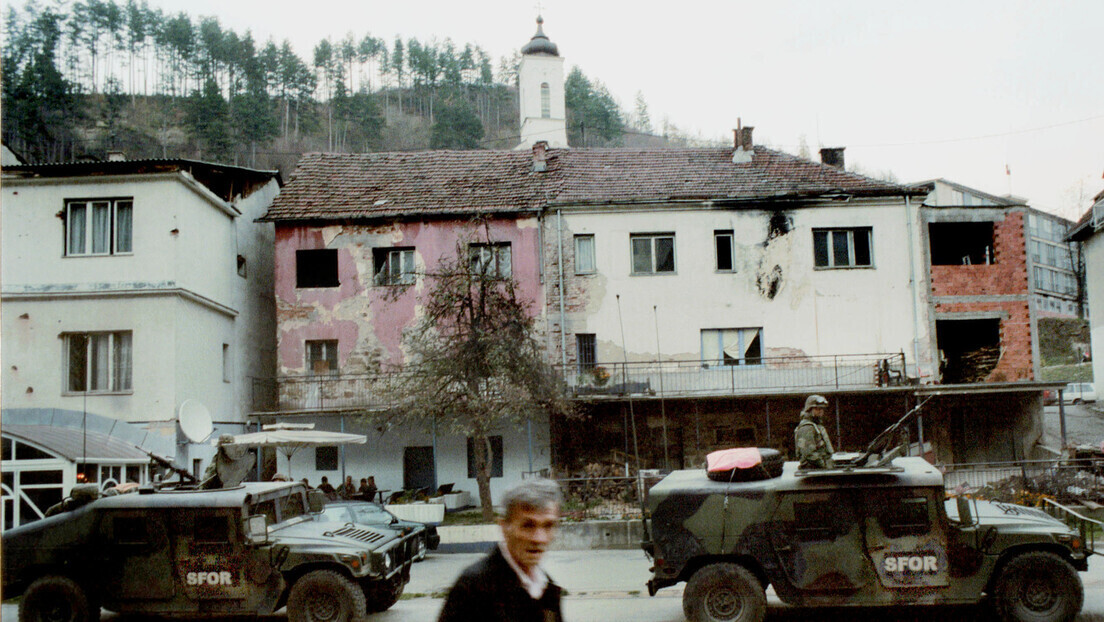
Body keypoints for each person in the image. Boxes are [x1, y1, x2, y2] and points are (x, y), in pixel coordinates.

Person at [438, 478, 563, 622]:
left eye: (548, 526)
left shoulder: (547, 588)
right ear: (504, 527)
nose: (539, 538)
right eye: (528, 525)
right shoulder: (474, 587)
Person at [794, 394, 835, 469]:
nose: (821, 411)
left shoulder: (816, 425)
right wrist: (824, 465)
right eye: (817, 409)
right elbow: (809, 454)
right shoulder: (807, 427)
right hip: (814, 468)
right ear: (809, 410)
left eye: (822, 409)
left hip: (819, 467)